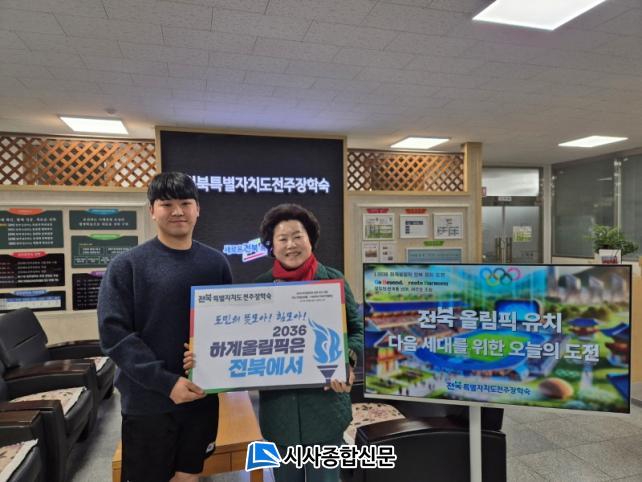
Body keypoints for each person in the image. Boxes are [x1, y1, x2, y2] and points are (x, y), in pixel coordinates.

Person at [185, 203, 362, 482]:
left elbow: (357, 330)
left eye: (297, 236)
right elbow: (240, 341)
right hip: (280, 415)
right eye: (282, 239)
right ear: (272, 246)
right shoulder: (261, 286)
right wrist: (203, 360)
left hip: (327, 410)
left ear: (310, 240)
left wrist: (347, 360)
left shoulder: (333, 280)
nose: (291, 245)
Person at [98, 172, 232, 482]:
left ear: (197, 209)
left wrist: (219, 365)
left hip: (200, 398)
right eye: (167, 204)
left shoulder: (216, 264)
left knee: (189, 476)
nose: (177, 211)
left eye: (185, 203)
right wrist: (166, 383)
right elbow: (114, 334)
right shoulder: (126, 266)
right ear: (152, 210)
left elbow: (226, 326)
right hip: (148, 402)